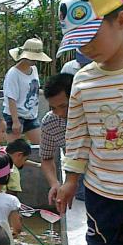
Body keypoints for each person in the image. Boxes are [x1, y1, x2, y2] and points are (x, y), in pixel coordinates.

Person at [55, 0, 123, 245]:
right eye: (78, 43)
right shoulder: (84, 80)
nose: (85, 48)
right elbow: (78, 133)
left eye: (91, 37)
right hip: (102, 194)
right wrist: (71, 180)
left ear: (122, 21)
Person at [38, 73, 83, 204]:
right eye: (53, 108)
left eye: (64, 106)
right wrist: (54, 183)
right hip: (75, 173)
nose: (60, 113)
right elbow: (46, 157)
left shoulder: (93, 114)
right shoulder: (50, 121)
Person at [2, 38, 51, 144]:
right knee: (14, 150)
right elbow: (11, 98)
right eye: (32, 57)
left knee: (42, 146)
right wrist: (15, 121)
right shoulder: (13, 74)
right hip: (15, 115)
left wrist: (49, 92)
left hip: (31, 115)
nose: (34, 60)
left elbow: (34, 89)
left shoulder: (34, 69)